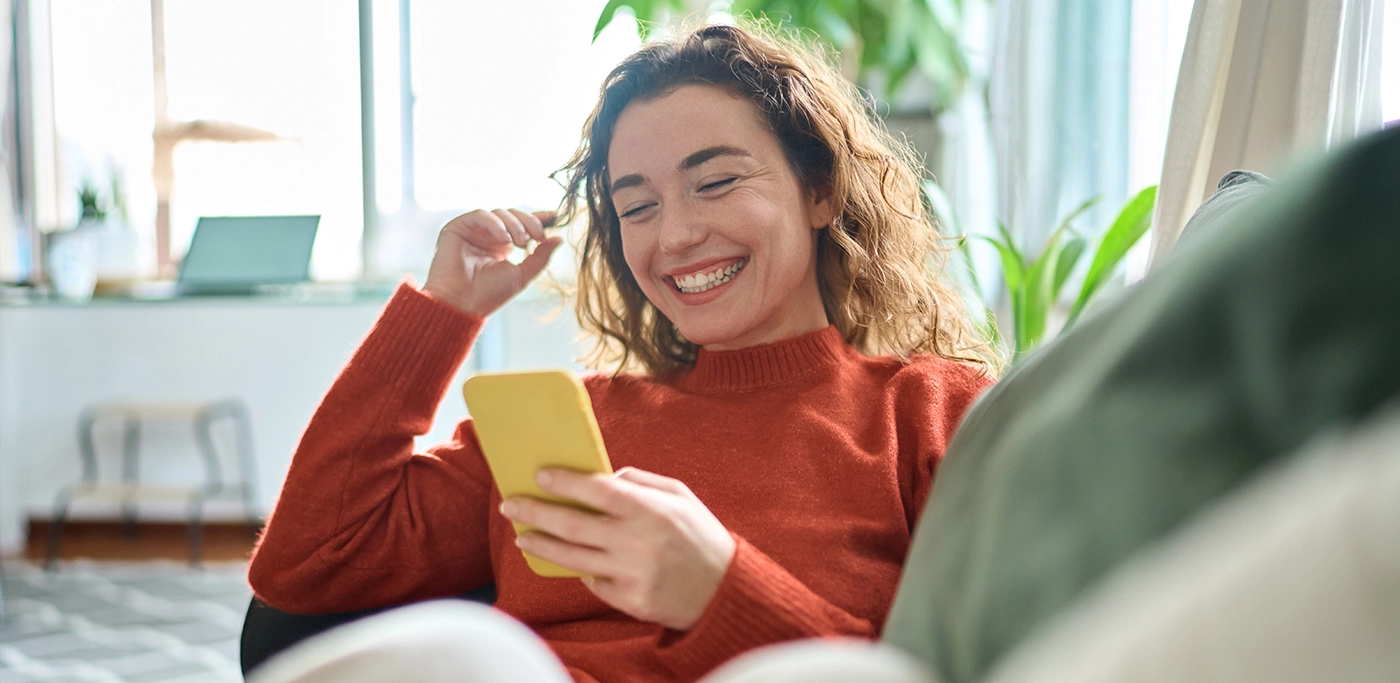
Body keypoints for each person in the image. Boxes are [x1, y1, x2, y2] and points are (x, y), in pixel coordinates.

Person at [247, 22, 996, 683]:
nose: (674, 237)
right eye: (637, 206)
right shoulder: (572, 431)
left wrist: (723, 591)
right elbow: (307, 564)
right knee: (469, 653)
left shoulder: (931, 413)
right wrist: (441, 315)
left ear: (820, 190)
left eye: (716, 181)